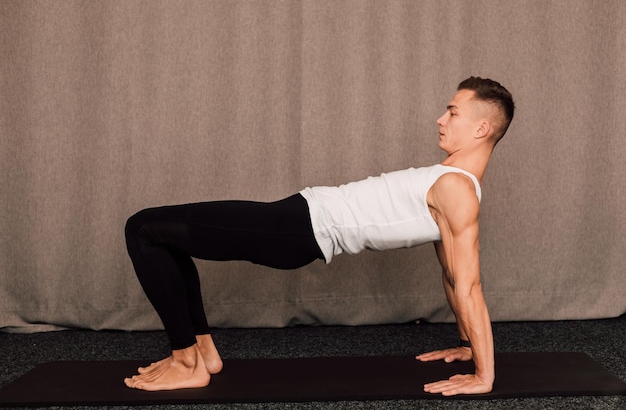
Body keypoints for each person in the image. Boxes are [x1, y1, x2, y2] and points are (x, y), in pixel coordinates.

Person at [123, 76, 515, 396]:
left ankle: (187, 362)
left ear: (482, 128)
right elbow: (451, 274)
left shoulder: (457, 191)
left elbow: (469, 286)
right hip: (294, 219)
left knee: (143, 228)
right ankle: (201, 352)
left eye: (452, 111)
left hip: (293, 230)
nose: (440, 119)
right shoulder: (451, 184)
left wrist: (484, 376)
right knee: (162, 235)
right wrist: (466, 346)